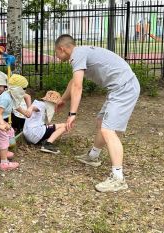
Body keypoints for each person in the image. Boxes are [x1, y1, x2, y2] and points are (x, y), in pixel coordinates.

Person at [54, 34, 140, 192]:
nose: (57, 57)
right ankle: (93, 156)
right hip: (118, 89)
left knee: (108, 130)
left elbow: (78, 87)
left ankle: (118, 178)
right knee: (101, 122)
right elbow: (74, 82)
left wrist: (72, 114)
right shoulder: (82, 53)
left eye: (57, 53)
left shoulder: (77, 55)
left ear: (62, 49)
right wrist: (63, 100)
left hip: (124, 88)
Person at [0, 74, 32, 171]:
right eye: (24, 88)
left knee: (10, 132)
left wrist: (25, 112)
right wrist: (2, 125)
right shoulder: (6, 98)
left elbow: (16, 106)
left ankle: (2, 153)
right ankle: (4, 163)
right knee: (4, 139)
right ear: (17, 89)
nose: (25, 91)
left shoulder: (12, 95)